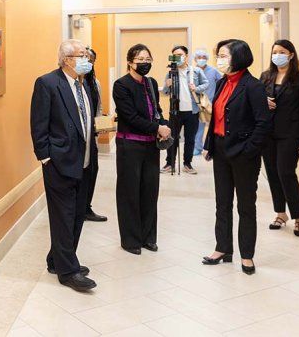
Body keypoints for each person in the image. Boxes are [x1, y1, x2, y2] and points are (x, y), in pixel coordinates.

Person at [30, 39, 99, 292]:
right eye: (82, 55)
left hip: (85, 163)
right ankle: (68, 271)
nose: (87, 60)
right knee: (63, 217)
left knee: (78, 214)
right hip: (59, 163)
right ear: (67, 59)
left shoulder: (84, 86)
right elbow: (39, 124)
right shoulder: (48, 83)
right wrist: (46, 158)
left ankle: (57, 260)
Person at [202, 39, 272, 275]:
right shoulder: (222, 83)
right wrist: (210, 145)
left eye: (223, 55)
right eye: (218, 55)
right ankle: (223, 247)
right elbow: (216, 119)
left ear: (238, 57)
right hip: (221, 150)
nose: (219, 59)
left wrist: (249, 149)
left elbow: (263, 123)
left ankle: (247, 254)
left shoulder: (253, 86)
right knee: (222, 202)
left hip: (244, 154)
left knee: (245, 205)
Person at [112, 44, 171, 254]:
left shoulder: (151, 83)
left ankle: (148, 237)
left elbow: (157, 110)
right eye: (140, 59)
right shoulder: (121, 85)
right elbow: (130, 117)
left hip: (150, 147)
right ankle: (131, 240)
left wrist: (164, 124)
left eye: (148, 59)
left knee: (149, 191)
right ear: (130, 62)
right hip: (130, 145)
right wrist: (158, 127)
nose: (145, 63)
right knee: (129, 192)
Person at [260, 40, 299, 237]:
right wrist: (263, 101)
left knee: (286, 173)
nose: (277, 55)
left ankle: (298, 217)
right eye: (274, 52)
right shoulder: (266, 76)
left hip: (290, 135)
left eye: (282, 52)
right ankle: (280, 213)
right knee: (272, 174)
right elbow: (256, 102)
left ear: (291, 55)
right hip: (268, 135)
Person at [162, 45, 208, 174]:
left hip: (192, 111)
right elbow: (165, 92)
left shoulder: (196, 71)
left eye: (180, 54)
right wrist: (167, 85)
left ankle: (187, 164)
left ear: (186, 56)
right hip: (175, 111)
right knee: (172, 138)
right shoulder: (171, 73)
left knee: (190, 139)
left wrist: (196, 88)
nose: (178, 57)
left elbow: (206, 83)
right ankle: (169, 163)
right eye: (175, 55)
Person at [83, 47, 107, 222]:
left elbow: (98, 108)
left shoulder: (94, 83)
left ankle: (86, 207)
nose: (88, 62)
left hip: (92, 135)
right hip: (76, 136)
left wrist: (100, 125)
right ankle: (78, 207)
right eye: (84, 58)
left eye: (91, 60)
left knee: (93, 170)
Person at [194, 48, 222, 156]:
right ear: (195, 59)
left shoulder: (213, 71)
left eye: (204, 57)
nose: (201, 59)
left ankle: (213, 148)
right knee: (199, 127)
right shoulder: (192, 71)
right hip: (198, 104)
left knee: (214, 126)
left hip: (212, 103)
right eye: (199, 57)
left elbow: (221, 83)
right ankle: (197, 148)